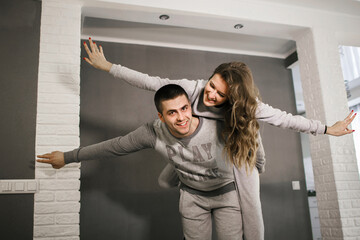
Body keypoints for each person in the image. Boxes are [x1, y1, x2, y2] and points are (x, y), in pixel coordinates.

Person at [81, 38, 356, 239]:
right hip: (193, 152)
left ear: (232, 98)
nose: (210, 95)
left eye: (220, 94)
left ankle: (255, 167)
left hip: (230, 153)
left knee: (251, 193)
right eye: (212, 84)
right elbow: (150, 81)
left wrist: (325, 129)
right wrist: (109, 67)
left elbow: (285, 119)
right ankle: (178, 166)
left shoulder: (248, 107)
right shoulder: (193, 89)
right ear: (210, 77)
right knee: (173, 169)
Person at [37, 84, 266, 240]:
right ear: (161, 117)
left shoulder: (217, 125)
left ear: (190, 106)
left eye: (184, 108)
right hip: (193, 197)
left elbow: (251, 139)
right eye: (172, 113)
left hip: (227, 194)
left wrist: (258, 167)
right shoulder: (151, 132)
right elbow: (114, 146)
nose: (181, 117)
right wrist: (68, 157)